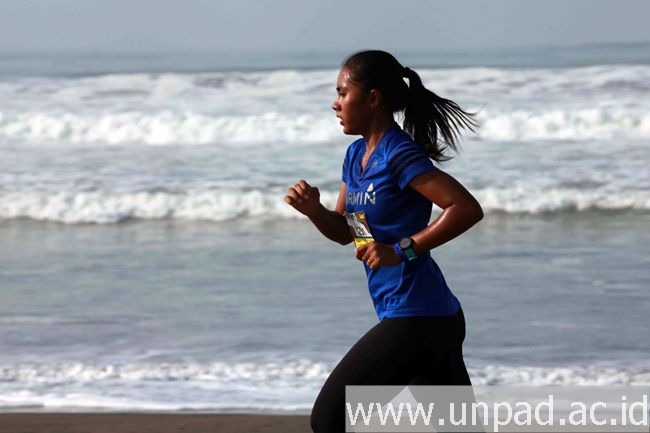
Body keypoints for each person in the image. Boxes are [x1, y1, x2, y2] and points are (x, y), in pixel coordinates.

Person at [284, 50, 484, 433]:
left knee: (329, 419)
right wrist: (315, 211)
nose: (335, 103)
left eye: (343, 93)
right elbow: (350, 233)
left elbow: (465, 208)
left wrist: (400, 249)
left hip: (418, 317)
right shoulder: (356, 156)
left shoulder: (398, 154)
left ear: (373, 98)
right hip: (425, 317)